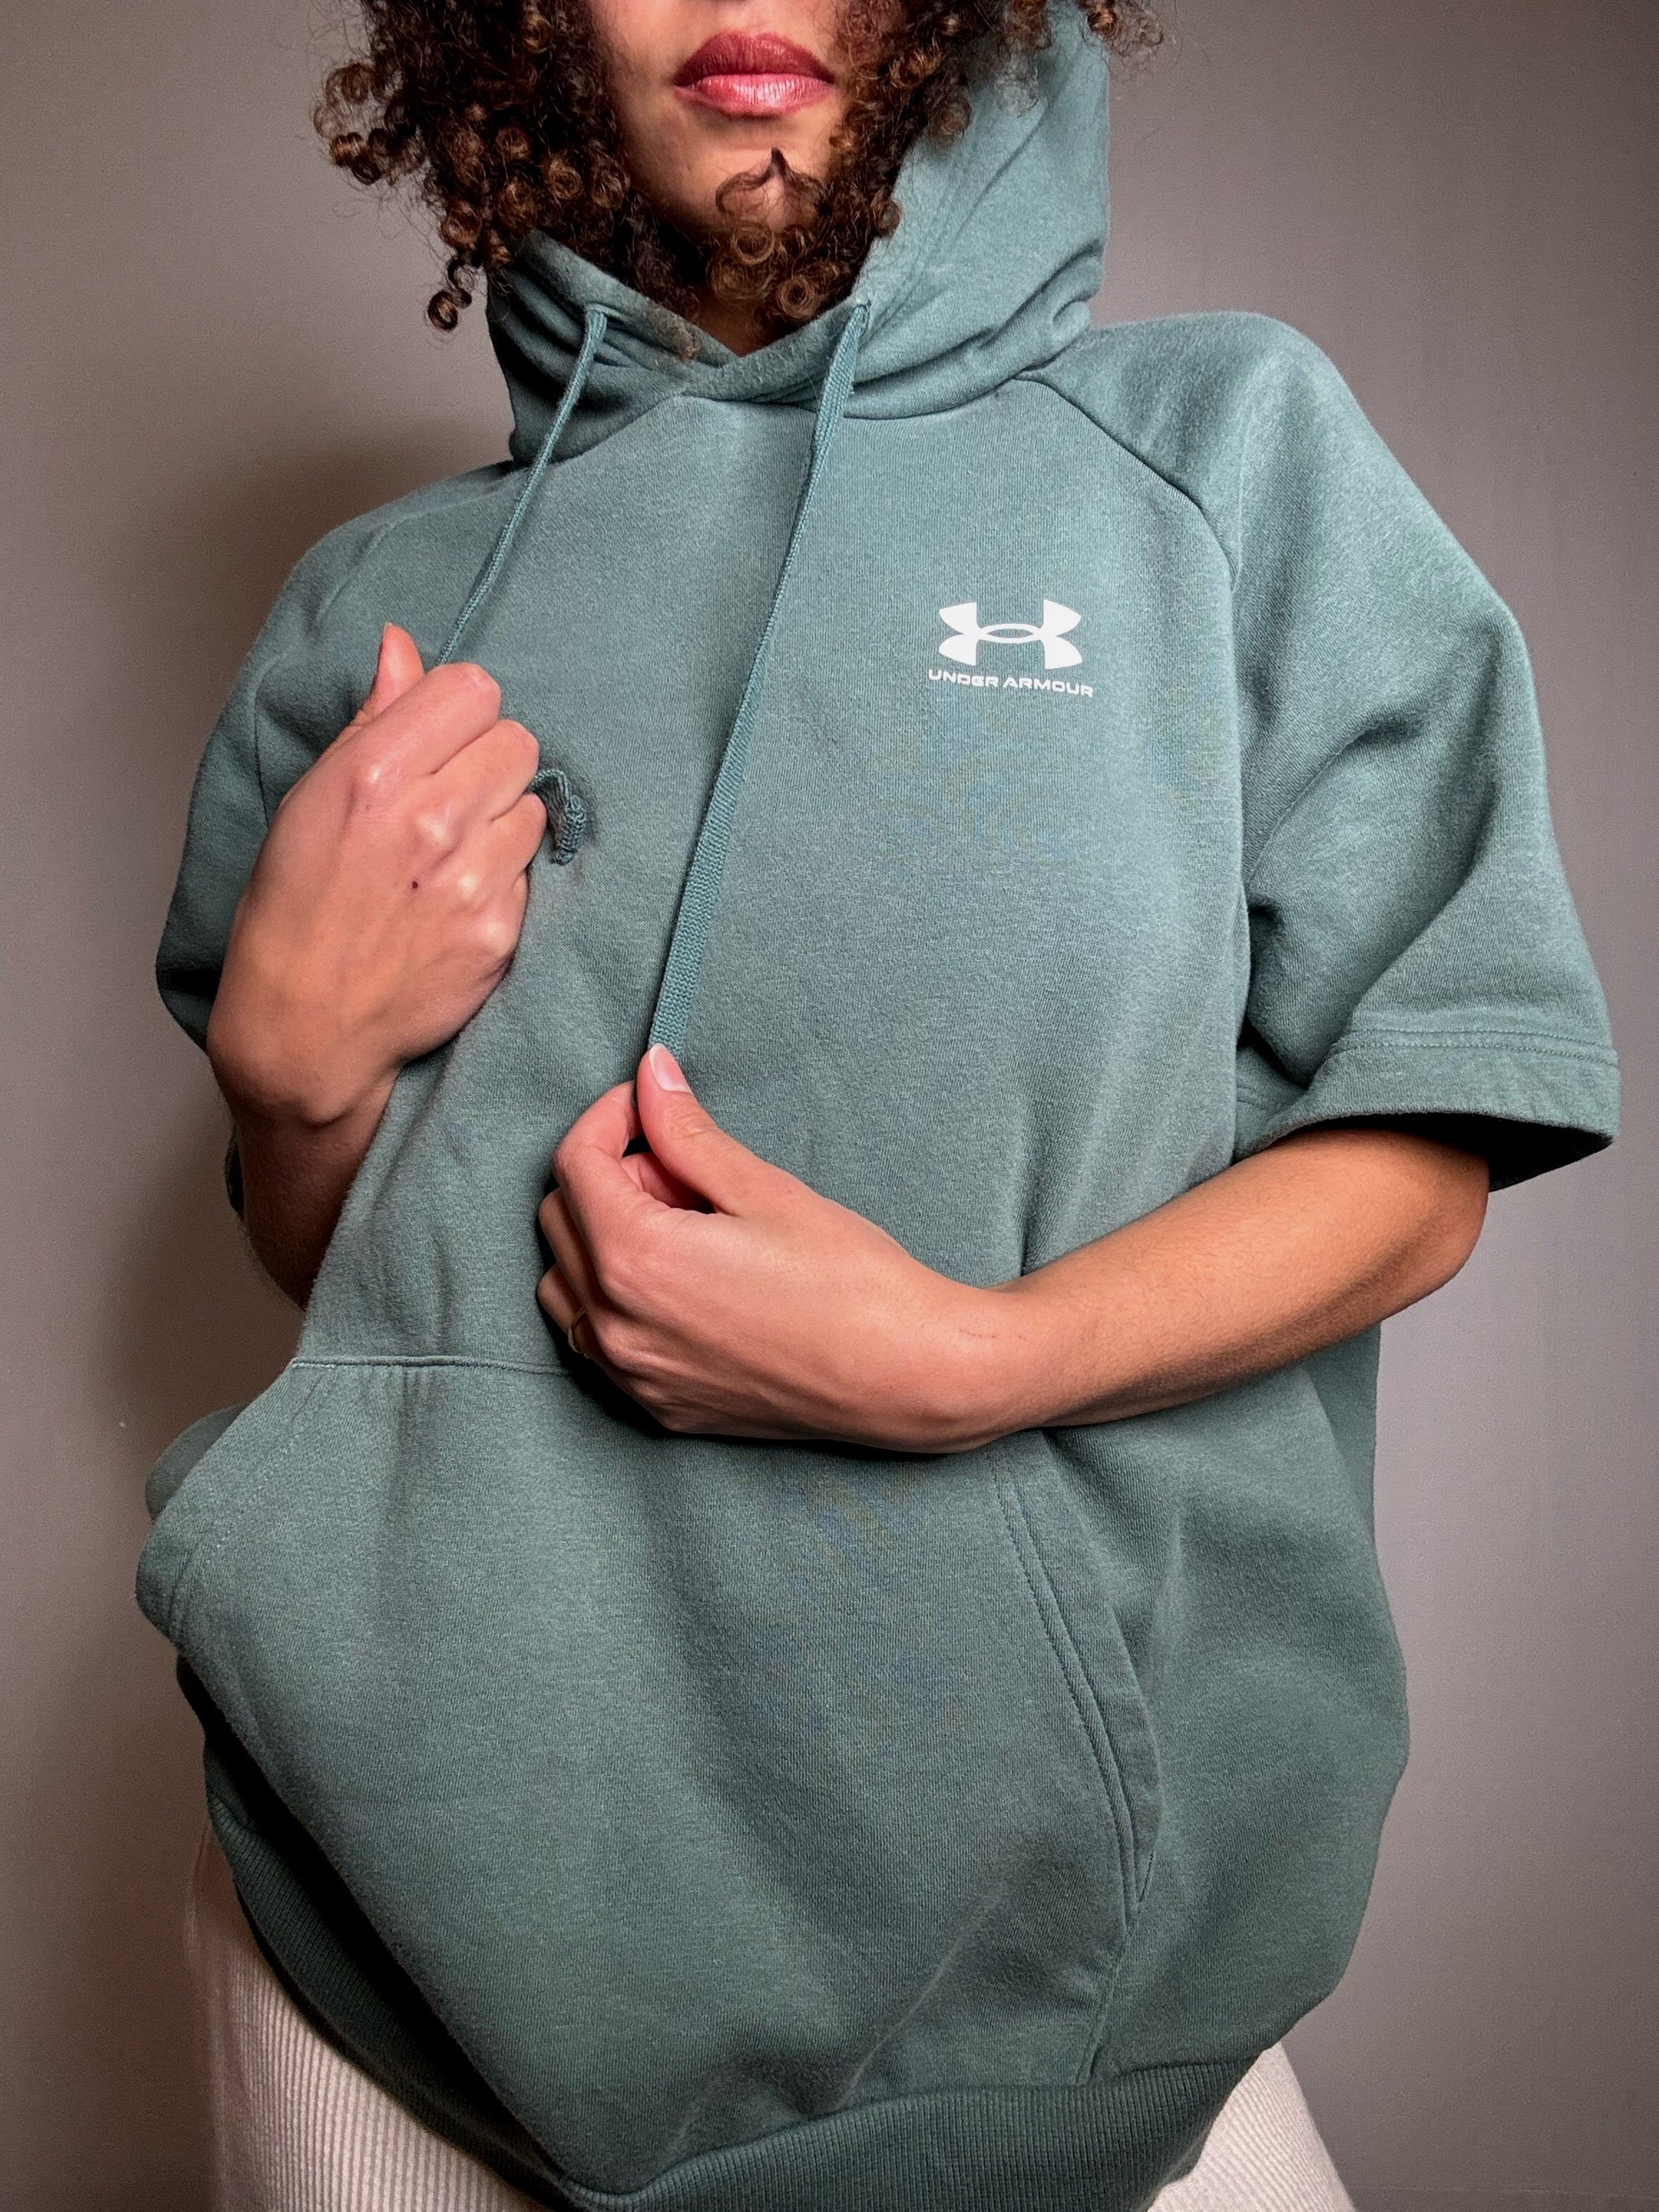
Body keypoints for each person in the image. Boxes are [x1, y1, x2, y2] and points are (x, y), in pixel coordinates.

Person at [139, 3, 1619, 2209]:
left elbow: (1426, 1143)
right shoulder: (373, 604)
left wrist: (969, 1360)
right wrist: (289, 1085)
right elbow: (352, 1276)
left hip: (1061, 1963)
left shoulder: (1222, 456)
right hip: (388, 1932)